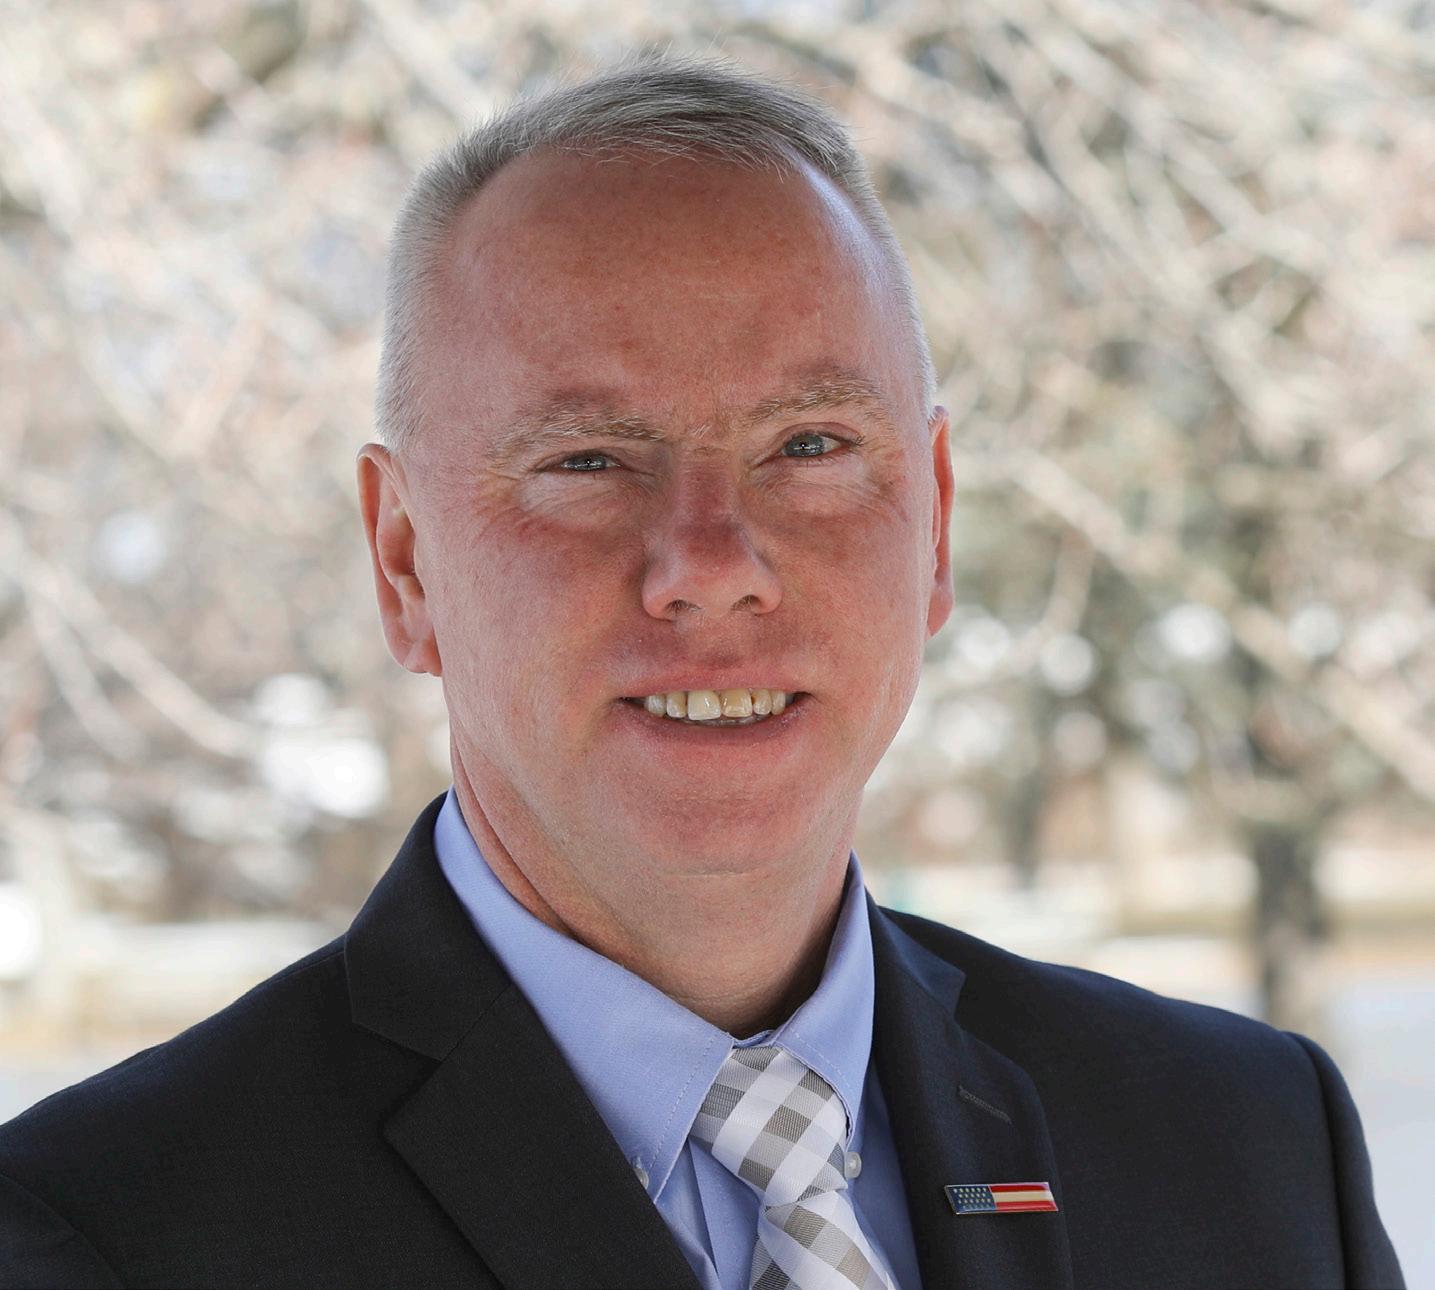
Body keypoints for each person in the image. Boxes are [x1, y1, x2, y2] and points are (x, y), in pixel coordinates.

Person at [0, 55, 1405, 1290]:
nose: (711, 563)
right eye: (587, 461)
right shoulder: (100, 1234)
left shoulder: (1250, 1150)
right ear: (405, 561)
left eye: (810, 446)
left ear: (935, 522)